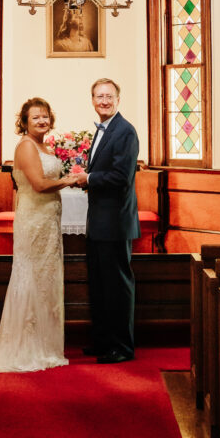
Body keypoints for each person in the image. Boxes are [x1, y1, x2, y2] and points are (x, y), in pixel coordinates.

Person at [0, 97, 79, 373]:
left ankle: (45, 344)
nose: (41, 121)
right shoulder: (27, 147)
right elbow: (40, 185)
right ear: (25, 122)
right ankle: (26, 346)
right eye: (35, 118)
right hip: (34, 221)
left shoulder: (45, 145)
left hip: (48, 221)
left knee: (46, 279)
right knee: (30, 277)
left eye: (45, 116)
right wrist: (71, 179)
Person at [74, 78, 140, 363]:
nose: (104, 101)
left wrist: (87, 178)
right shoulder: (103, 130)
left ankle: (122, 348)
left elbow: (121, 178)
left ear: (118, 100)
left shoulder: (125, 131)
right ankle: (103, 341)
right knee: (100, 286)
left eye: (109, 96)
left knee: (118, 287)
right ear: (92, 100)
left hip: (115, 223)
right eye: (99, 96)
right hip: (99, 223)